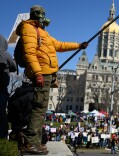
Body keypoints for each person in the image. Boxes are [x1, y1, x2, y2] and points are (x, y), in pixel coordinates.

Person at [16, 5, 88, 155]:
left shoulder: (42, 32)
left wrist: (78, 46)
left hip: (47, 73)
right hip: (41, 72)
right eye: (41, 14)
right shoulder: (29, 29)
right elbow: (30, 53)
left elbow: (59, 45)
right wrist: (38, 73)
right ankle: (29, 142)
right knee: (38, 109)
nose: (43, 17)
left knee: (41, 110)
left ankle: (35, 142)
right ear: (36, 15)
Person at [0, 34, 16, 139]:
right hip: (1, 88)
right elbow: (14, 67)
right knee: (1, 114)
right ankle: (2, 137)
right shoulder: (4, 54)